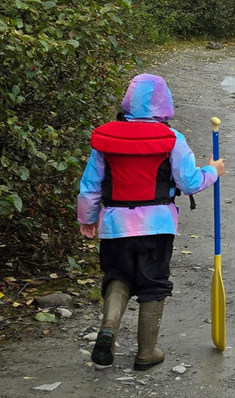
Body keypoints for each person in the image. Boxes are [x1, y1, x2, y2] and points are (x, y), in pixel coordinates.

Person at [77, 74, 225, 370]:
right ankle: (146, 352)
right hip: (157, 226)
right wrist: (213, 170)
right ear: (164, 103)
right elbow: (189, 182)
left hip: (114, 225)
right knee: (153, 285)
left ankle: (108, 329)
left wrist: (88, 219)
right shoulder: (172, 139)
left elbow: (90, 186)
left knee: (118, 277)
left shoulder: (107, 138)